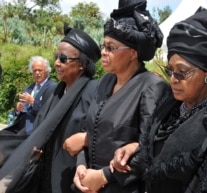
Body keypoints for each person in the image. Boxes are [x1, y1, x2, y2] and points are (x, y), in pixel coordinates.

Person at [109, 7, 207, 193]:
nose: (174, 79)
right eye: (170, 71)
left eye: (182, 72)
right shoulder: (170, 105)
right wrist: (138, 148)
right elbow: (162, 150)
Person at [64, 1, 174, 193]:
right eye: (103, 45)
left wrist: (103, 176)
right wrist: (81, 167)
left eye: (111, 47)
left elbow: (150, 149)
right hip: (87, 182)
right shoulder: (105, 82)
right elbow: (88, 129)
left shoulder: (152, 88)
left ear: (133, 53)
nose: (104, 52)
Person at [0, 26, 101, 193]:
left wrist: (86, 139)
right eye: (56, 57)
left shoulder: (93, 91)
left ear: (82, 64)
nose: (56, 63)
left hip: (70, 174)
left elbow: (100, 131)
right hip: (43, 171)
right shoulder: (55, 91)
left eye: (63, 58)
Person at [5, 56, 57, 135]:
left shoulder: (52, 88)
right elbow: (20, 110)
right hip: (20, 124)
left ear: (47, 71)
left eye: (40, 70)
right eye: (34, 70)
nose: (37, 73)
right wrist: (18, 108)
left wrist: (32, 102)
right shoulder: (29, 88)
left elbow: (48, 112)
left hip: (34, 127)